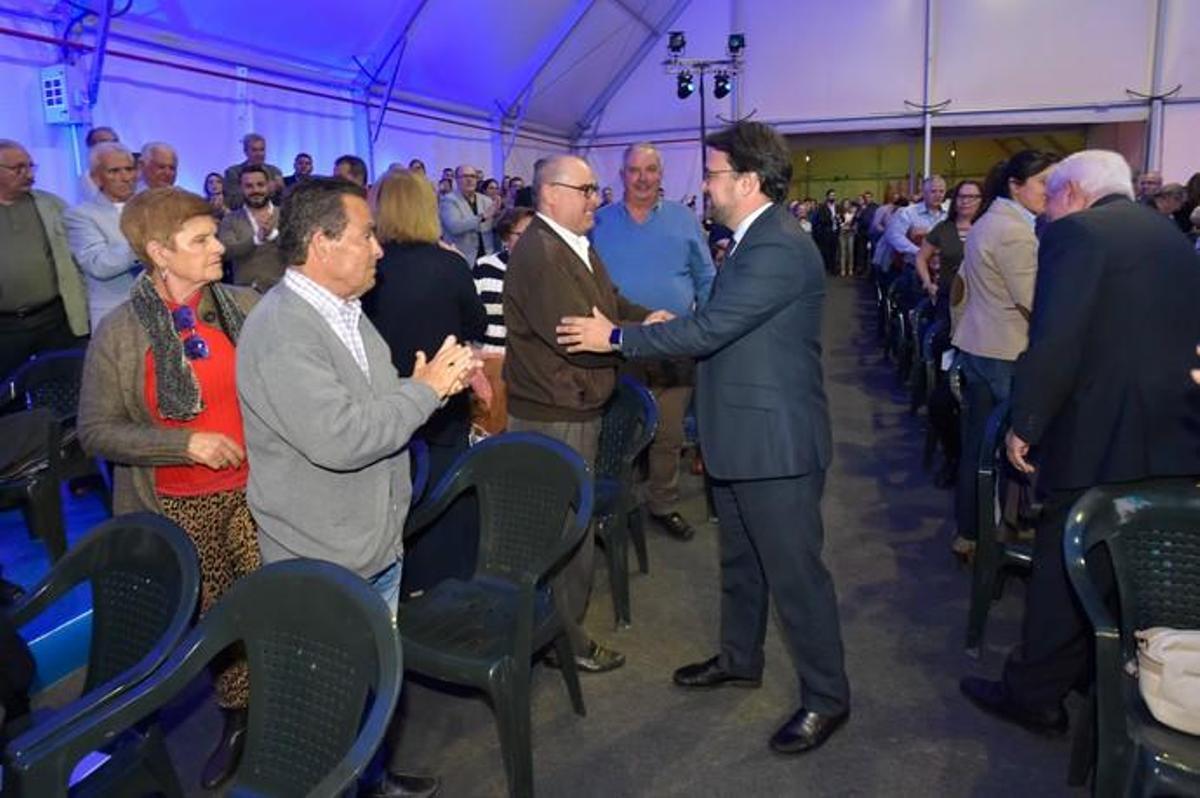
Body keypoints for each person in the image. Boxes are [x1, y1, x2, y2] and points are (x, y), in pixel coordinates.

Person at [556, 121, 850, 755]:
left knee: (796, 576)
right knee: (742, 564)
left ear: (747, 181)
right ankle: (740, 658)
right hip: (744, 435)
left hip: (777, 446)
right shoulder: (752, 238)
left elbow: (707, 331)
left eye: (714, 173)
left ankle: (827, 697)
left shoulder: (775, 244)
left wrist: (615, 338)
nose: (706, 185)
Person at [237, 178, 475, 798]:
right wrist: (424, 393)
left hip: (370, 542)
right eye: (366, 235)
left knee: (365, 688)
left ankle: (368, 778)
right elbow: (341, 438)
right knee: (323, 705)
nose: (378, 249)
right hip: (324, 555)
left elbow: (373, 400)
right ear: (321, 244)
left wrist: (414, 386)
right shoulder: (285, 331)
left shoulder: (344, 313)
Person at [960, 150, 1200, 737]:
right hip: (1173, 431)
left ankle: (1034, 692)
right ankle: (1106, 674)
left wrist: (1027, 423)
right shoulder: (1168, 235)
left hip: (1098, 431)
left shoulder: (1080, 235)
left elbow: (1056, 339)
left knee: (1064, 562)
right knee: (1127, 567)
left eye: (1052, 195)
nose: (1048, 209)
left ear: (1072, 193)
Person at [76, 187, 262, 789]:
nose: (219, 248)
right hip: (181, 502)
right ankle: (240, 717)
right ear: (158, 251)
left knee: (274, 601)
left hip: (260, 490)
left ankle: (290, 705)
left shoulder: (243, 306)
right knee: (220, 616)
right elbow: (95, 431)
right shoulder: (122, 332)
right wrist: (182, 443)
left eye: (216, 234)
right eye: (202, 240)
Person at [503, 154, 654, 674]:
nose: (596, 198)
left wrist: (642, 318)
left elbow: (608, 305)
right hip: (556, 414)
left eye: (595, 189)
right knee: (565, 535)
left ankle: (560, 632)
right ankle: (565, 641)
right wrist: (636, 338)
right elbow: (579, 338)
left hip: (571, 406)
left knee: (569, 528)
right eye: (585, 190)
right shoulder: (543, 254)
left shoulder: (574, 246)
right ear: (549, 195)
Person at [362, 169, 487, 595]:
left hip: (383, 402)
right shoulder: (449, 265)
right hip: (444, 403)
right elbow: (477, 322)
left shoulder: (368, 269)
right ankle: (445, 587)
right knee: (445, 496)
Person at [591, 141, 715, 541]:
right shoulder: (599, 222)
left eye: (650, 170)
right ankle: (613, 505)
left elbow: (706, 278)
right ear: (622, 175)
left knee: (669, 432)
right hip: (618, 344)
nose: (642, 178)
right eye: (634, 170)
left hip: (675, 343)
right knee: (617, 431)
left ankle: (663, 502)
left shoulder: (684, 219)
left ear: (661, 176)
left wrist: (706, 325)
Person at [949, 150, 1058, 558]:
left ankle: (972, 532)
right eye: (1043, 182)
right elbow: (1033, 301)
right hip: (1006, 352)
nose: (1051, 192)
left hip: (981, 344)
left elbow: (960, 291)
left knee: (978, 447)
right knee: (1010, 448)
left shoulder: (988, 223)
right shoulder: (1014, 231)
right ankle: (1000, 532)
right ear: (1016, 184)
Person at [0, 139, 90, 378]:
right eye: (18, 168)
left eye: (31, 166)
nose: (28, 174)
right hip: (5, 327)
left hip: (54, 320)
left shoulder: (52, 205)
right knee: (8, 400)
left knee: (64, 386)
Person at [472, 206, 535, 435]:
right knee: (490, 431)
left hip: (529, 367)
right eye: (522, 234)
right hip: (492, 361)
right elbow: (469, 317)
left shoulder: (545, 271)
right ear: (506, 236)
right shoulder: (485, 267)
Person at [64, 142, 140, 329]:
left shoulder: (152, 207)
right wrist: (145, 242)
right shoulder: (81, 215)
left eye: (129, 169)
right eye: (114, 171)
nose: (125, 177)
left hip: (162, 310)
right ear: (96, 178)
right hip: (116, 315)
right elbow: (98, 265)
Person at [915, 180, 983, 322]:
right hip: (949, 297)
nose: (965, 201)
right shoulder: (943, 228)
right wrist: (928, 283)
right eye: (961, 197)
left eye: (972, 197)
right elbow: (921, 258)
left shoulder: (988, 227)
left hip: (981, 299)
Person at [217, 165, 285, 292]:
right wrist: (255, 240)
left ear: (269, 186)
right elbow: (226, 251)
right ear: (241, 188)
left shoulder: (286, 214)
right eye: (249, 186)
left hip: (282, 293)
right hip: (245, 295)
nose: (255, 190)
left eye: (260, 184)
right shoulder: (230, 219)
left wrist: (274, 235)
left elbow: (296, 249)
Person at [439, 164, 496, 263]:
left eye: (473, 176)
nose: (469, 180)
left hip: (486, 257)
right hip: (461, 258)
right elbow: (455, 227)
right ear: (456, 179)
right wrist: (482, 217)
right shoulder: (448, 200)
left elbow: (492, 228)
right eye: (465, 176)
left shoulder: (486, 200)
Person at [223, 133, 284, 210]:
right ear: (245, 151)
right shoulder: (233, 172)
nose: (259, 154)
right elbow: (233, 203)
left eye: (262, 150)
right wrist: (266, 190)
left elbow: (282, 203)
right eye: (254, 150)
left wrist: (280, 190)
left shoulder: (274, 171)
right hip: (243, 218)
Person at [810, 188, 840, 274]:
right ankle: (826, 268)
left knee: (834, 250)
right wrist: (831, 219)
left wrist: (840, 218)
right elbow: (821, 219)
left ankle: (833, 268)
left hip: (835, 231)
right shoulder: (822, 207)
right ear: (827, 197)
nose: (832, 197)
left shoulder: (837, 207)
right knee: (826, 251)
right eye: (831, 195)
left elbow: (841, 217)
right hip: (826, 231)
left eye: (834, 195)